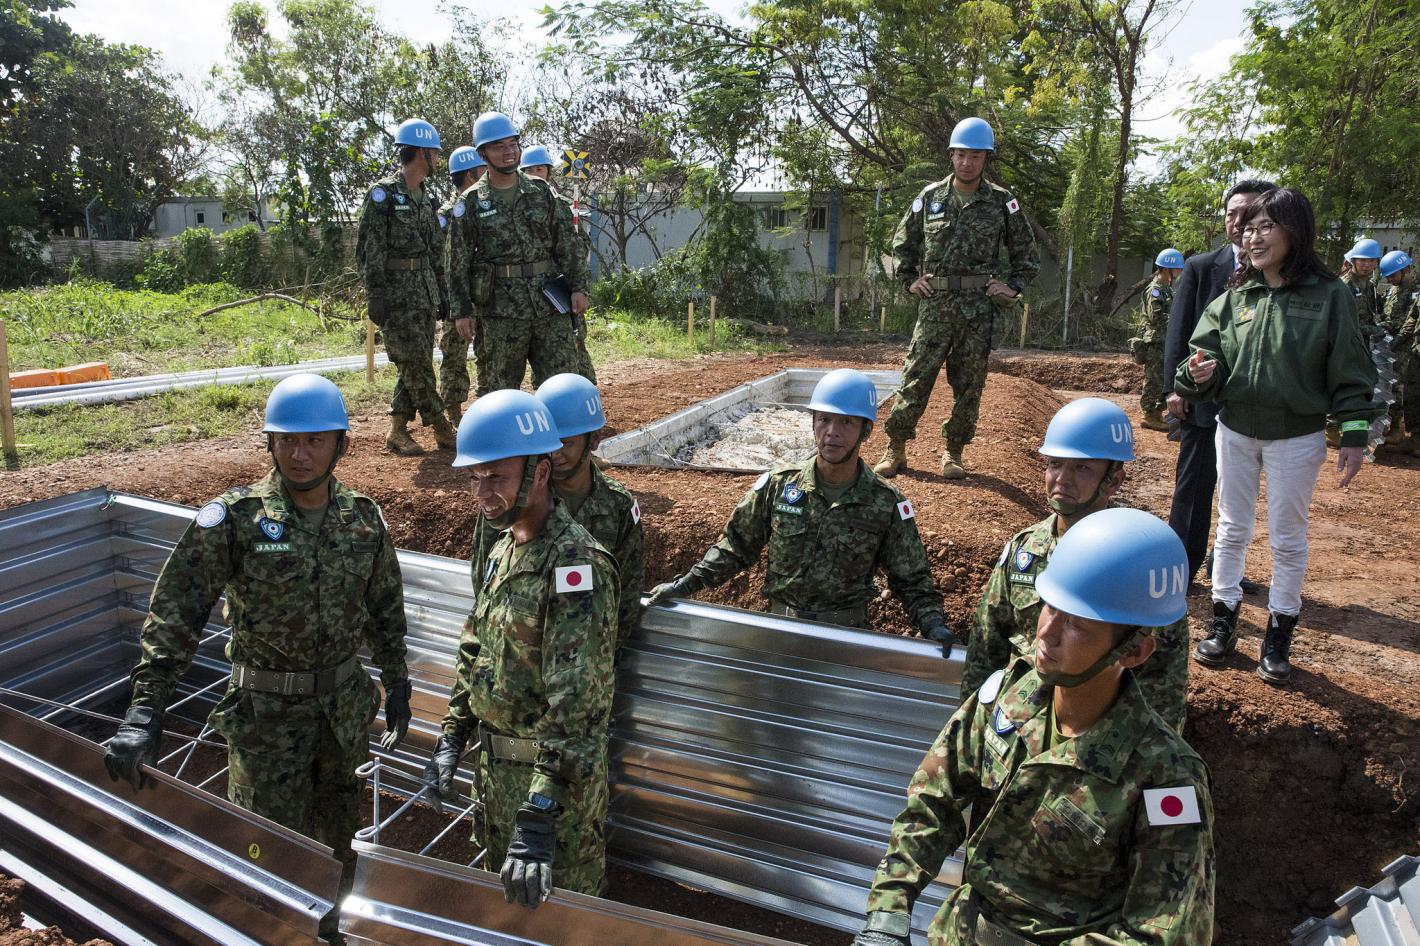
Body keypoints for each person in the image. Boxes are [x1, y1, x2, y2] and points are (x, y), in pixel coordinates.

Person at [103, 373, 411, 944]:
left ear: (340, 444)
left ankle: (329, 932)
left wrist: (397, 683)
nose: (300, 454)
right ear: (269, 443)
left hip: (342, 719)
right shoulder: (236, 519)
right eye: (287, 440)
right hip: (266, 725)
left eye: (314, 440)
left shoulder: (363, 519)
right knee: (264, 852)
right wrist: (145, 709)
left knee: (338, 847)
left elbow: (385, 609)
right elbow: (176, 610)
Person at [852, 508, 1214, 946]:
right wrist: (888, 912)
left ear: (1134, 652)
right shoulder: (1011, 693)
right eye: (1050, 607)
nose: (1047, 632)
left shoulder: (1166, 777)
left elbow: (1161, 935)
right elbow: (934, 800)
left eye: (1077, 623)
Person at [1176, 187, 1380, 686]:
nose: (1253, 236)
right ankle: (1223, 623)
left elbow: (1351, 369)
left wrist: (1354, 434)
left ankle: (1278, 636)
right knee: (1231, 529)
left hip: (1296, 437)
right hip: (1235, 431)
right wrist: (1196, 374)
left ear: (1295, 231)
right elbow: (1202, 357)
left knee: (1287, 538)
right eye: (1249, 228)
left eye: (1266, 226)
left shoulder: (1329, 295)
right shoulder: (1235, 297)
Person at [423, 389, 618, 907]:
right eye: (475, 478)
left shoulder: (576, 566)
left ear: (540, 472)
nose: (483, 492)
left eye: (496, 477)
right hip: (496, 784)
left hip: (554, 802)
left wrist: (539, 813)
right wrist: (452, 737)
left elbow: (577, 705)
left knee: (562, 925)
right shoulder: (504, 549)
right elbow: (476, 651)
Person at [648, 369, 954, 650]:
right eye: (824, 419)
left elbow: (911, 579)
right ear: (813, 423)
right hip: (780, 634)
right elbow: (735, 548)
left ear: (866, 431)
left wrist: (932, 624)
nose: (832, 431)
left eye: (847, 422)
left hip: (846, 642)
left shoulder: (885, 503)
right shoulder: (778, 486)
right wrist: (684, 585)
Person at [964, 397, 1189, 730]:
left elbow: (1164, 686)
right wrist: (974, 728)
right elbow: (986, 647)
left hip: (1097, 740)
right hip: (1016, 727)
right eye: (1055, 464)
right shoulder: (1024, 552)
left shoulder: (1139, 562)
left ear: (1114, 480)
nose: (1062, 479)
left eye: (1082, 468)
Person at [874, 117, 1039, 481]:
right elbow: (903, 243)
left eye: (975, 156)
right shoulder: (930, 197)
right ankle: (895, 448)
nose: (967, 163)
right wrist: (909, 280)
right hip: (936, 306)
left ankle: (954, 451)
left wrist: (1012, 287)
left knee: (968, 385)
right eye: (961, 155)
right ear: (951, 155)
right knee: (915, 377)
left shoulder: (1002, 202)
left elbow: (1026, 254)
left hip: (978, 310)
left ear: (986, 159)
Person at [470, 373, 645, 651]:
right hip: (516, 654)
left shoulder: (618, 505)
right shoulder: (517, 501)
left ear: (594, 439)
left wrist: (603, 656)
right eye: (550, 443)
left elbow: (627, 593)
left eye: (566, 442)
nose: (555, 453)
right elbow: (485, 579)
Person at [1161, 179, 1276, 584]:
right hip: (1201, 401)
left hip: (1252, 406)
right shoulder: (1200, 267)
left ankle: (1226, 567)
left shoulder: (1280, 275)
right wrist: (1173, 388)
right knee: (1192, 489)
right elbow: (1178, 331)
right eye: (1231, 214)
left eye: (1248, 213)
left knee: (1239, 495)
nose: (1238, 222)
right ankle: (1180, 570)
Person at [447, 113, 590, 396]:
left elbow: (567, 242)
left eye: (512, 144)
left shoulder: (541, 192)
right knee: (501, 390)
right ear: (482, 154)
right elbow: (457, 260)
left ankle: (562, 427)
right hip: (501, 311)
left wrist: (579, 287)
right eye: (499, 146)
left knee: (562, 383)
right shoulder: (471, 203)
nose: (509, 151)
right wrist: (461, 311)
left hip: (549, 304)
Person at [356, 117, 458, 455]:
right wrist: (376, 295)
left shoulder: (427, 198)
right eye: (435, 153)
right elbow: (370, 250)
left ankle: (397, 431)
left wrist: (442, 292)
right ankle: (442, 426)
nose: (439, 159)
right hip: (396, 295)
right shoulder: (383, 195)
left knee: (414, 362)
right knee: (415, 364)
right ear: (421, 153)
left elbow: (434, 252)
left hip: (424, 292)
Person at [520, 144, 597, 382]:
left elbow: (580, 246)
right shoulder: (517, 206)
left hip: (559, 287)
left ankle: (584, 388)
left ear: (548, 172)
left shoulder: (561, 204)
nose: (534, 174)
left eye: (539, 169)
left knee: (574, 341)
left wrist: (577, 285)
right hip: (530, 293)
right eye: (529, 170)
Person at [438, 145, 487, 424]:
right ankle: (454, 416)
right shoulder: (447, 215)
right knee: (454, 355)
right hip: (457, 300)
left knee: (487, 353)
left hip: (485, 294)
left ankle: (487, 410)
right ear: (470, 175)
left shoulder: (483, 207)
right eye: (482, 169)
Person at [1135, 248, 1186, 431]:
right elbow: (1156, 317)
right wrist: (1178, 318)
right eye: (1177, 269)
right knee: (1153, 379)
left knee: (1164, 378)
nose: (1179, 272)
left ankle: (1156, 413)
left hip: (1164, 341)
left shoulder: (1166, 289)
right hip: (1155, 342)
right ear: (1166, 269)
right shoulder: (1155, 290)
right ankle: (1148, 414)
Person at [1380, 250, 1418, 452]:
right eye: (1387, 277)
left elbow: (1408, 319)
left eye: (1392, 275)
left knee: (1401, 389)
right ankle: (1391, 426)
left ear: (1406, 270)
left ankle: (1398, 429)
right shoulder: (1393, 290)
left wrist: (1388, 327)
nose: (1390, 280)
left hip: (1408, 349)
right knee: (1390, 386)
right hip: (1392, 343)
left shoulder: (1415, 292)